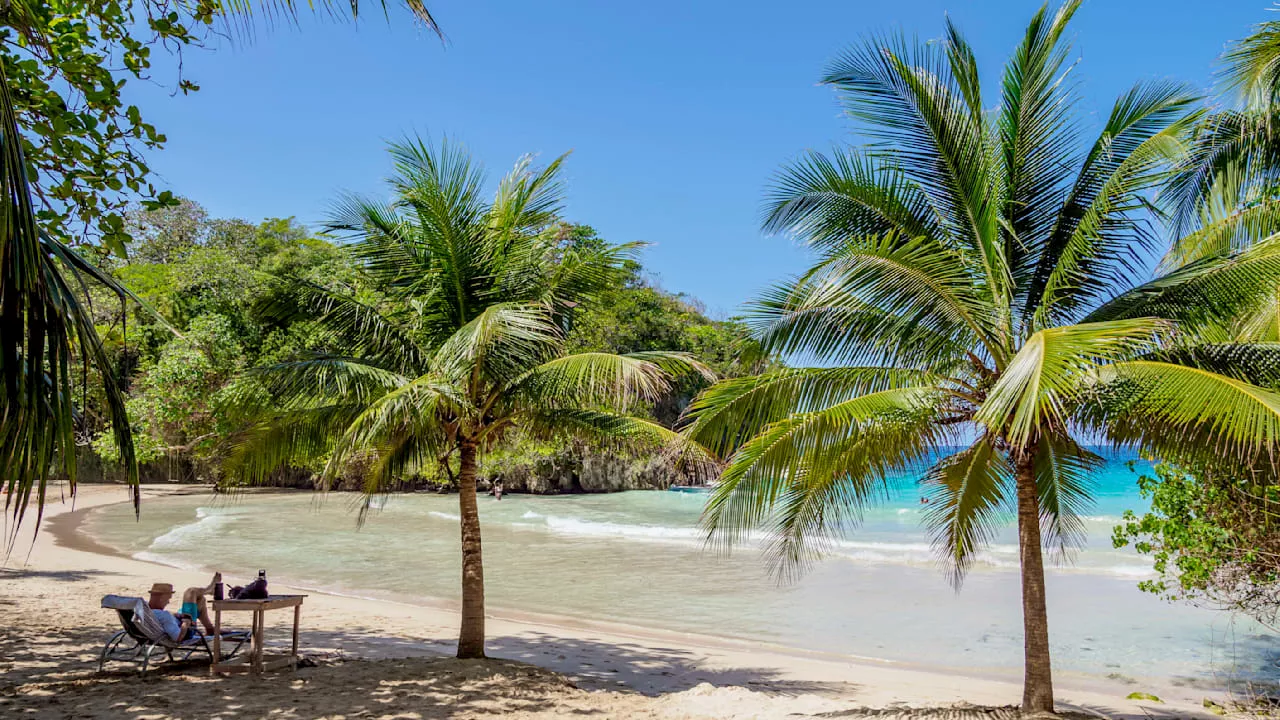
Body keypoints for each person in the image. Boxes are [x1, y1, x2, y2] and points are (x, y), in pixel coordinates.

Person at [147, 573, 220, 641]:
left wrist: (174, 615)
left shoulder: (145, 609)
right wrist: (186, 622)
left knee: (200, 600)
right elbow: (178, 638)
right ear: (161, 598)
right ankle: (209, 590)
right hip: (187, 631)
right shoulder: (164, 615)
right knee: (191, 592)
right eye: (168, 599)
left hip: (178, 622)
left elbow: (163, 620)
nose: (168, 602)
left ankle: (210, 629)